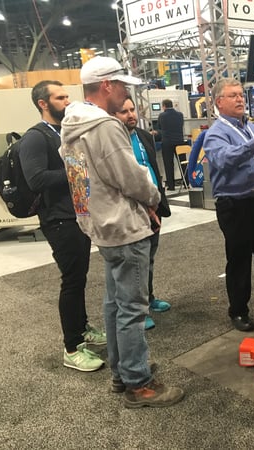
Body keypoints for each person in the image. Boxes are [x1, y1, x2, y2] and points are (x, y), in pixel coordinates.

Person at [60, 56, 184, 408]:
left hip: (101, 225)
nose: (127, 93)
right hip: (125, 226)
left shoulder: (72, 125)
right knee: (131, 309)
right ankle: (138, 383)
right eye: (124, 85)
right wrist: (154, 199)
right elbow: (131, 178)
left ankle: (123, 371)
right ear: (107, 86)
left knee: (115, 306)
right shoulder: (104, 126)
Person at [18, 80, 106, 372]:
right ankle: (71, 347)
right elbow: (36, 179)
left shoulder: (64, 132)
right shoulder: (35, 137)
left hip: (77, 214)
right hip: (58, 220)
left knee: (79, 277)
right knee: (71, 280)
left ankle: (82, 328)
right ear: (43, 103)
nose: (67, 101)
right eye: (60, 97)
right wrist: (77, 169)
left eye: (68, 96)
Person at [203, 78, 254, 332]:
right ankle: (238, 311)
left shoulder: (249, 127)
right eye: (233, 95)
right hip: (236, 206)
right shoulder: (216, 133)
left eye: (241, 95)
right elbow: (224, 159)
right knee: (240, 260)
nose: (240, 99)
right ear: (219, 102)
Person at [114, 96, 172, 331]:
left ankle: (148, 299)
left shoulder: (144, 136)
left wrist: (158, 201)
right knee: (133, 262)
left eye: (132, 110)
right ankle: (137, 310)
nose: (130, 115)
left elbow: (152, 168)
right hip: (130, 209)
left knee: (148, 258)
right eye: (123, 111)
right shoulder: (114, 142)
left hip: (153, 205)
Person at [157, 99, 184, 191]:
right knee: (183, 163)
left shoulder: (162, 116)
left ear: (164, 106)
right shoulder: (180, 115)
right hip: (180, 142)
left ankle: (171, 186)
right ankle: (186, 183)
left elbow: (159, 128)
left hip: (167, 142)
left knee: (168, 164)